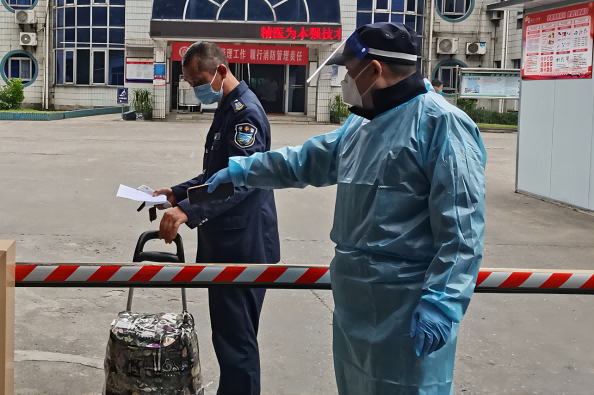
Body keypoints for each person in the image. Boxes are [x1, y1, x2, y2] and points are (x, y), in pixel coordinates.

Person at [206, 22, 487, 394]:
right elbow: (306, 161)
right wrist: (243, 169)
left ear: (374, 71)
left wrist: (442, 302)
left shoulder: (442, 125)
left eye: (349, 72)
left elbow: (462, 231)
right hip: (354, 299)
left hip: (408, 303)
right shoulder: (359, 123)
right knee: (355, 383)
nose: (345, 81)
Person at [153, 41, 280, 395]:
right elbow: (217, 173)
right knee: (230, 339)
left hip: (241, 247)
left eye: (199, 81)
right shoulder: (228, 107)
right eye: (190, 83)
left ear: (221, 71)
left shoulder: (246, 114)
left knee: (236, 344)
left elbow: (241, 182)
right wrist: (176, 193)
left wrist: (186, 211)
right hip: (228, 242)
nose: (196, 89)